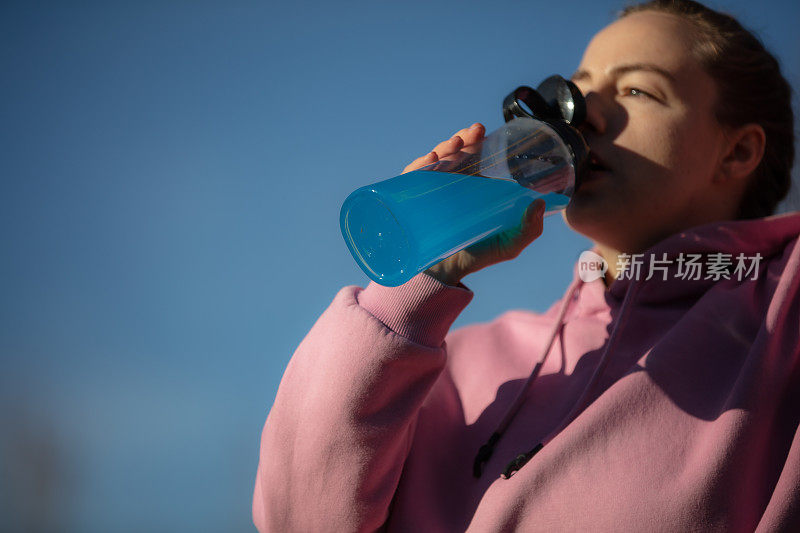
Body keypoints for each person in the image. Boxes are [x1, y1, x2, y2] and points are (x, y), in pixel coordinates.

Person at [253, 0, 799, 530]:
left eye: (638, 89)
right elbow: (300, 520)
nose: (585, 115)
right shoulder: (452, 368)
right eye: (579, 90)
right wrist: (418, 283)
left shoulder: (781, 322)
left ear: (738, 153)